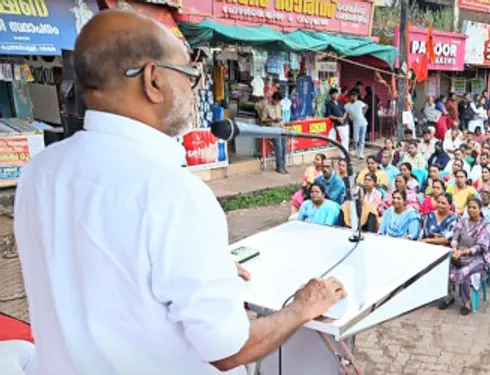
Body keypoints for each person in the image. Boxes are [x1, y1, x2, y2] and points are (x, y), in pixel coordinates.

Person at [13, 11, 346, 374]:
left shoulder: (41, 171)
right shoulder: (172, 193)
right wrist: (302, 307)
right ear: (153, 80)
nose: (195, 89)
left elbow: (100, 270)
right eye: (190, 75)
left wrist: (200, 267)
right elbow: (228, 349)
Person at [442, 198, 490, 316]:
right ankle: (449, 296)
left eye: (474, 207)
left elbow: (481, 247)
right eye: (469, 207)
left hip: (478, 257)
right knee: (445, 266)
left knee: (464, 272)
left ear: (480, 209)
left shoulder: (485, 225)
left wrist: (464, 252)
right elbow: (455, 236)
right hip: (460, 253)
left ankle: (466, 302)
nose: (471, 210)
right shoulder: (463, 221)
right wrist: (454, 249)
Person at [260, 91, 288, 174]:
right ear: (273, 99)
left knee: (284, 147)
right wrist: (273, 120)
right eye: (277, 101)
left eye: (279, 101)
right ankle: (279, 167)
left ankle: (283, 165)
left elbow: (281, 116)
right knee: (278, 147)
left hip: (281, 128)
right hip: (272, 130)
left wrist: (280, 121)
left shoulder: (279, 106)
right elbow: (263, 120)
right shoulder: (267, 107)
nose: (278, 102)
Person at [344, 90, 368, 159]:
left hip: (364, 123)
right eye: (353, 96)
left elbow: (366, 106)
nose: (354, 98)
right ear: (350, 97)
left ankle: (361, 153)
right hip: (356, 124)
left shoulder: (360, 102)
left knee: (362, 139)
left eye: (355, 96)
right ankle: (354, 150)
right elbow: (346, 113)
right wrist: (349, 117)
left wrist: (363, 113)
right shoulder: (347, 106)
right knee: (355, 139)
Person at [325, 88, 349, 153]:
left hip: (345, 122)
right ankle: (344, 154)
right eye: (334, 94)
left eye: (337, 94)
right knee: (344, 138)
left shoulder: (340, 102)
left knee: (346, 139)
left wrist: (343, 117)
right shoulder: (329, 104)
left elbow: (345, 111)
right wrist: (338, 118)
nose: (336, 95)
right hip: (338, 124)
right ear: (331, 95)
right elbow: (329, 115)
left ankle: (345, 153)